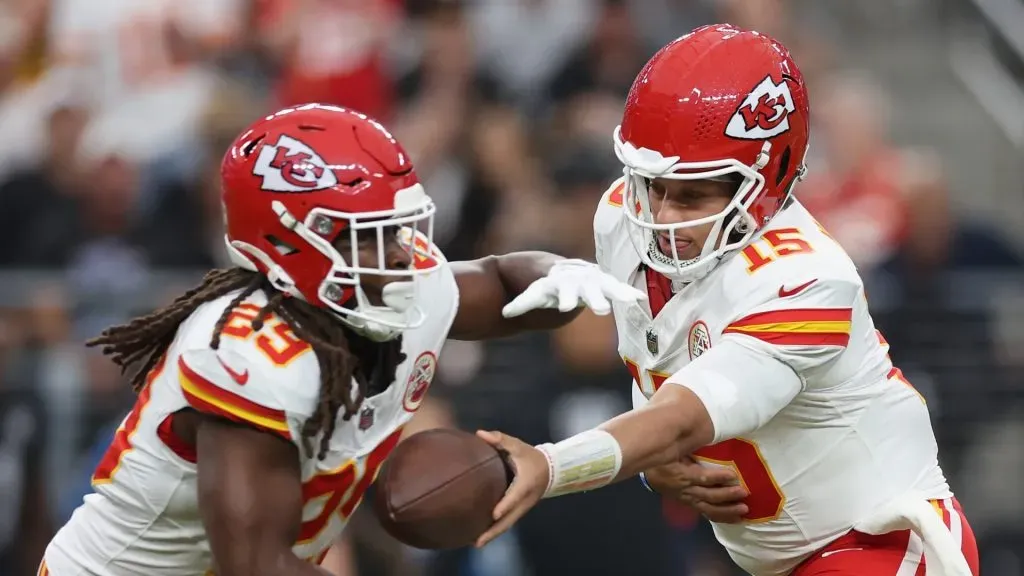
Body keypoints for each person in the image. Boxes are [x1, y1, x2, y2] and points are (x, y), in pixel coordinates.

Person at [39, 103, 644, 576]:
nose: (398, 255)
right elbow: (256, 565)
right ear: (286, 243)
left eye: (397, 228)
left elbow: (501, 281)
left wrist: (560, 274)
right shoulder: (247, 356)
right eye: (367, 235)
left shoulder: (397, 286)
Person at [475, 25, 981, 576]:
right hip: (787, 559)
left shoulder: (807, 279)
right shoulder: (623, 217)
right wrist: (652, 463)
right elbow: (656, 365)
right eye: (653, 184)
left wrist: (551, 465)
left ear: (769, 178)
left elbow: (681, 417)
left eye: (692, 193)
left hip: (881, 541)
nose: (661, 217)